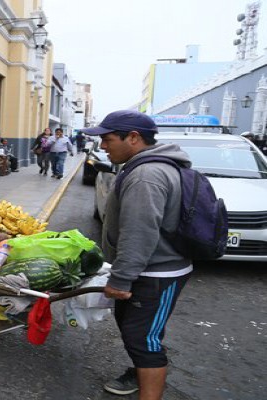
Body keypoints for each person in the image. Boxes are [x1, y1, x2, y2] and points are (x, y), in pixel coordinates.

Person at [81, 110, 193, 399]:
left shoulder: (146, 175)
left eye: (107, 139)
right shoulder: (143, 166)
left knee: (143, 338)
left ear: (133, 137)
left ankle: (149, 385)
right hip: (146, 270)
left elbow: (139, 231)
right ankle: (140, 371)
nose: (103, 146)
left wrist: (120, 279)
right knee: (135, 331)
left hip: (157, 273)